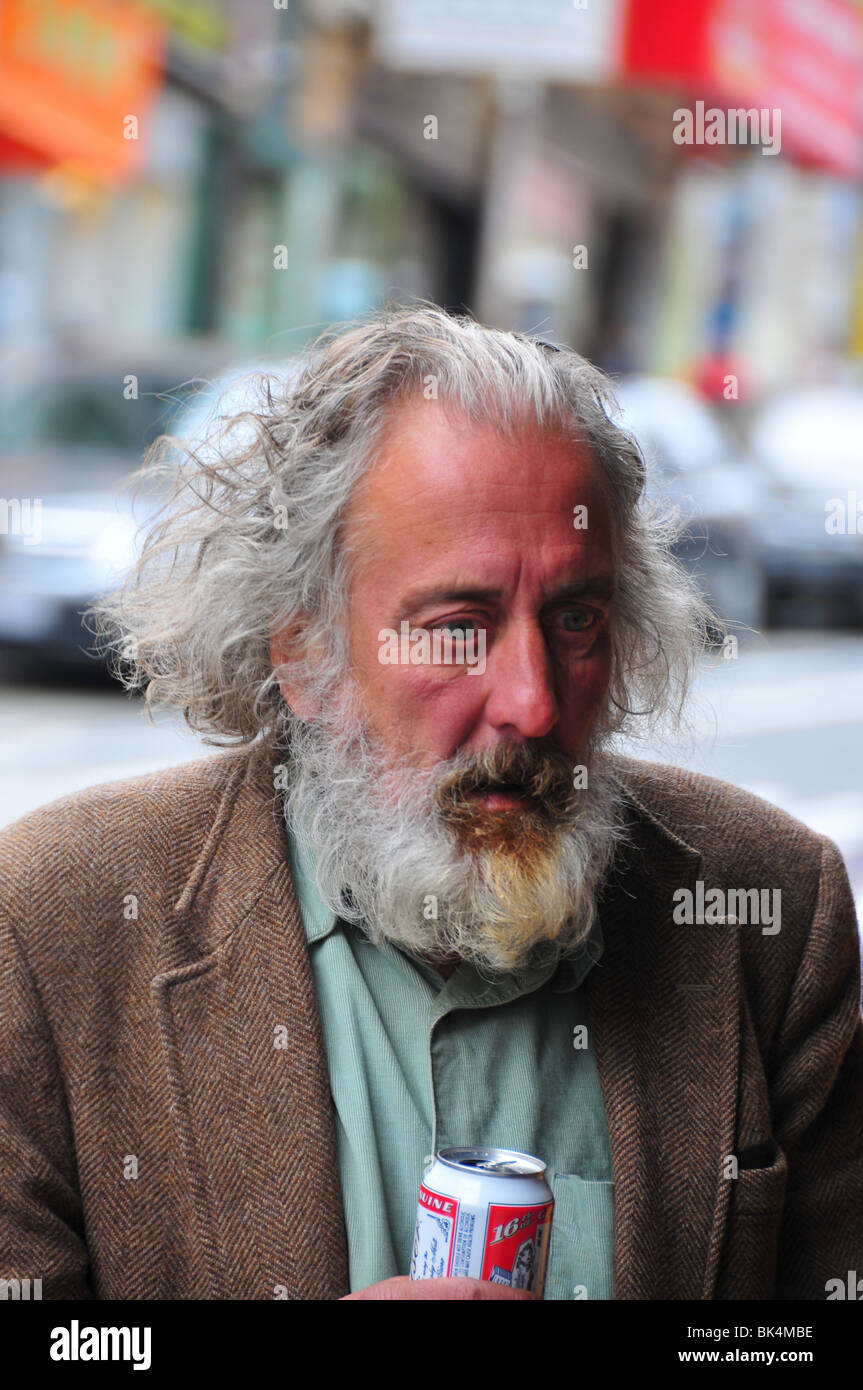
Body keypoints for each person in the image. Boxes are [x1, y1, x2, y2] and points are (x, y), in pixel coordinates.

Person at [1, 305, 861, 1300]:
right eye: (458, 627)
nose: (532, 702)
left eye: (574, 619)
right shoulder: (52, 927)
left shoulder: (768, 910)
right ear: (305, 650)